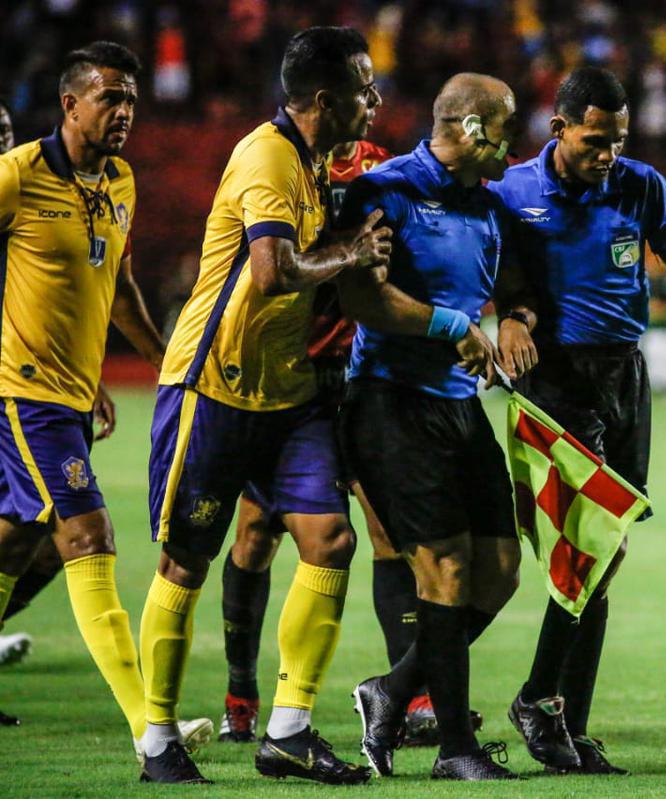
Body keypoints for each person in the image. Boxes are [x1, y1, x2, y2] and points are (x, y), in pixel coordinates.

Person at [138, 27, 386, 784]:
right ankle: (156, 740)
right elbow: (274, 270)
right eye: (363, 89)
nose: (374, 102)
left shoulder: (312, 165)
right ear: (322, 100)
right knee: (187, 560)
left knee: (331, 541)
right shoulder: (268, 156)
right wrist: (350, 252)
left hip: (290, 392)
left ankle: (290, 729)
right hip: (214, 387)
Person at [488, 66, 666, 775]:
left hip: (624, 377)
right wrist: (506, 316)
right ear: (559, 128)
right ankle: (540, 700)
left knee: (605, 551)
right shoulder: (512, 191)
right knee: (589, 547)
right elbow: (485, 270)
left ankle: (563, 717)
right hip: (555, 375)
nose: (609, 154)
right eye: (596, 140)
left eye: (619, 141)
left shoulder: (642, 185)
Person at [0, 42, 194, 755]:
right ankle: (153, 735)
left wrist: (161, 361)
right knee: (89, 538)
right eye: (111, 97)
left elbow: (115, 283)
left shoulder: (121, 180)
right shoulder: (15, 176)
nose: (125, 112)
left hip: (72, 398)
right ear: (69, 103)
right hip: (22, 395)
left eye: (133, 100)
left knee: (17, 542)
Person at [338, 72, 530, 781]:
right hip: (392, 399)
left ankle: (390, 688)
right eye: (504, 125)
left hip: (457, 404)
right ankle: (455, 748)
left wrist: (512, 318)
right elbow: (362, 295)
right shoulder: (385, 191)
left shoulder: (486, 206)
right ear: (472, 127)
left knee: (502, 570)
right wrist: (452, 324)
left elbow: (514, 288)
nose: (513, 140)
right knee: (445, 568)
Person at [213, 135, 415, 745]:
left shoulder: (381, 169)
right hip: (293, 378)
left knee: (385, 529)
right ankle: (241, 690)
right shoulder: (282, 165)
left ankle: (414, 695)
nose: (371, 100)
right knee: (256, 533)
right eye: (361, 89)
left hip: (360, 377)